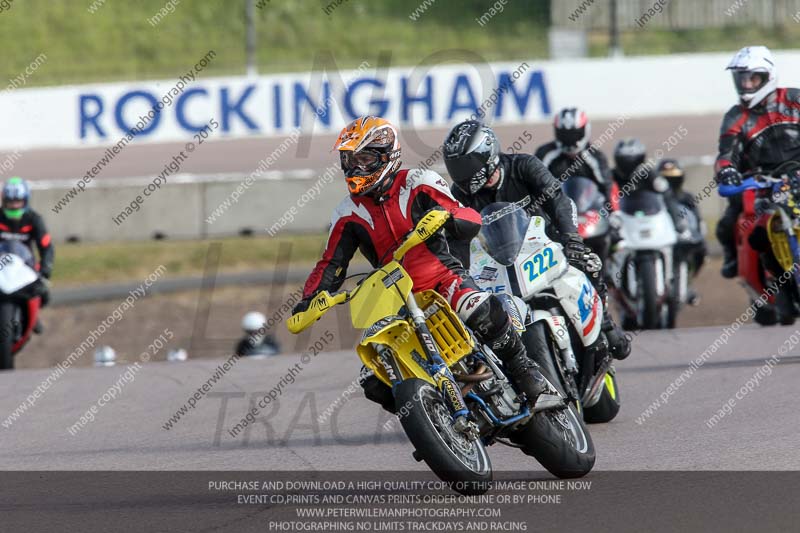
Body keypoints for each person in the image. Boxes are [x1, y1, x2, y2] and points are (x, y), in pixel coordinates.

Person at [291, 116, 548, 413]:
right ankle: (435, 416)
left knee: (479, 308)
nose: (353, 167)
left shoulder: (419, 181)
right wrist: (308, 302)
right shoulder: (347, 213)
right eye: (348, 159)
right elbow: (330, 264)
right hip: (396, 297)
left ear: (386, 156)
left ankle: (525, 371)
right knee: (374, 377)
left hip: (443, 277)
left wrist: (447, 217)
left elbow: (468, 217)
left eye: (362, 158)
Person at [443, 120, 630, 362]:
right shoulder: (458, 196)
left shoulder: (524, 165)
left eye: (465, 165)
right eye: (456, 167)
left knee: (589, 261)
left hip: (546, 243)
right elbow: (457, 241)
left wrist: (572, 238)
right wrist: (461, 277)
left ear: (486, 153)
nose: (462, 174)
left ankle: (605, 324)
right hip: (499, 261)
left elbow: (558, 200)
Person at [715, 46, 800, 278]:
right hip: (764, 184)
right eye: (741, 79)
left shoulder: (795, 99)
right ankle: (774, 287)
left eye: (752, 79)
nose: (746, 85)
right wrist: (726, 171)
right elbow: (726, 153)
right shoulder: (736, 116)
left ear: (768, 76)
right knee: (751, 234)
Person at [0, 177, 54, 328]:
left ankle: (33, 316)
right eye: (10, 202)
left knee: (44, 292)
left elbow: (46, 246)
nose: (13, 205)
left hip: (25, 265)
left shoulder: (34, 219)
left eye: (17, 201)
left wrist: (46, 268)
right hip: (1, 264)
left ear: (25, 201)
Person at [657, 159, 706, 304]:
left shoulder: (687, 197)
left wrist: (695, 232)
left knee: (702, 249)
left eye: (673, 179)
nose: (670, 184)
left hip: (685, 237)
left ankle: (688, 282)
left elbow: (697, 219)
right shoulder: (655, 199)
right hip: (661, 238)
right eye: (666, 179)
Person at [534, 107, 613, 197]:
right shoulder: (544, 154)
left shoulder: (596, 157)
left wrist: (612, 210)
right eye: (564, 135)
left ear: (585, 130)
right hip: (554, 207)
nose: (569, 140)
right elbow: (533, 185)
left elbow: (608, 188)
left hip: (588, 208)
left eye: (574, 134)